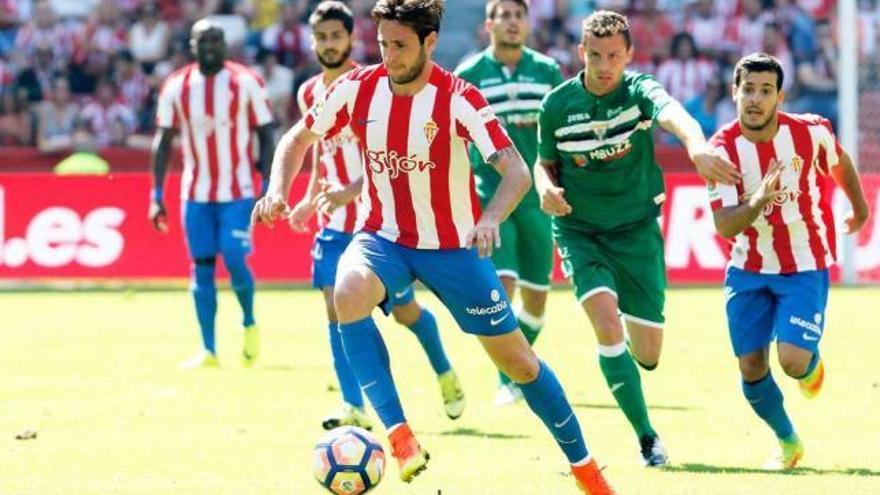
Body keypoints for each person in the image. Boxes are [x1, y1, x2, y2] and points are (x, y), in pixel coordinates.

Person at [253, 1, 614, 493]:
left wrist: (489, 218)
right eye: (382, 44)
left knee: (520, 363)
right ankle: (400, 435)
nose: (389, 55)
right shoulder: (357, 89)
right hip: (382, 236)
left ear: (429, 42)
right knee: (348, 292)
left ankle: (586, 469)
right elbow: (296, 140)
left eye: (399, 45)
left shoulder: (458, 98)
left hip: (452, 248)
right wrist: (278, 191)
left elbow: (515, 170)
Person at [534, 10, 739, 467]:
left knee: (647, 357)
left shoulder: (639, 90)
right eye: (594, 54)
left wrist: (697, 146)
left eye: (613, 55)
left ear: (628, 54)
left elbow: (672, 113)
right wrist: (545, 187)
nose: (603, 64)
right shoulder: (557, 105)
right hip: (579, 231)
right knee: (606, 323)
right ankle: (647, 438)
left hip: (637, 231)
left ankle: (624, 361)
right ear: (580, 53)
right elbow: (544, 161)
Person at [286, 0, 465, 431]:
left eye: (336, 36)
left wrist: (351, 191)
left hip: (378, 223)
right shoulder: (309, 92)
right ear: (312, 41)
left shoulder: (374, 84)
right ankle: (354, 405)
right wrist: (310, 197)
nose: (329, 44)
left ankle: (443, 370)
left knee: (406, 313)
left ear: (351, 39)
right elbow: (317, 151)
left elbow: (391, 155)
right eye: (321, 37)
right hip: (333, 225)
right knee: (334, 304)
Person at [707, 53, 869, 469]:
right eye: (748, 90)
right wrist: (758, 199)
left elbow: (840, 162)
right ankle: (788, 442)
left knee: (793, 362)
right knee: (751, 365)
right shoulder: (721, 151)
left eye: (765, 91)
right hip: (747, 267)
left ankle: (810, 364)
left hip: (804, 262)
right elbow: (725, 225)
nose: (755, 100)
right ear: (734, 93)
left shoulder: (810, 133)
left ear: (780, 96)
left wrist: (860, 207)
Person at [454, 0, 563, 406]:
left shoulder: (548, 71)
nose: (513, 23)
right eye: (505, 16)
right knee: (504, 286)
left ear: (528, 23)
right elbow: (458, 140)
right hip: (492, 198)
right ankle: (507, 377)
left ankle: (516, 365)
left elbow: (556, 134)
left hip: (538, 199)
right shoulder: (469, 75)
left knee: (536, 303)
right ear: (489, 25)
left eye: (519, 16)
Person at [149, 19, 275, 368]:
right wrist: (156, 194)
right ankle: (209, 349)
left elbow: (266, 134)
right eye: (202, 41)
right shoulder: (176, 86)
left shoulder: (246, 82)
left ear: (225, 44)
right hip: (196, 193)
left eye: (216, 40)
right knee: (201, 267)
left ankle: (249, 322)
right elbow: (163, 141)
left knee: (234, 257)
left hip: (237, 190)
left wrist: (268, 184)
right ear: (192, 45)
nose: (209, 47)